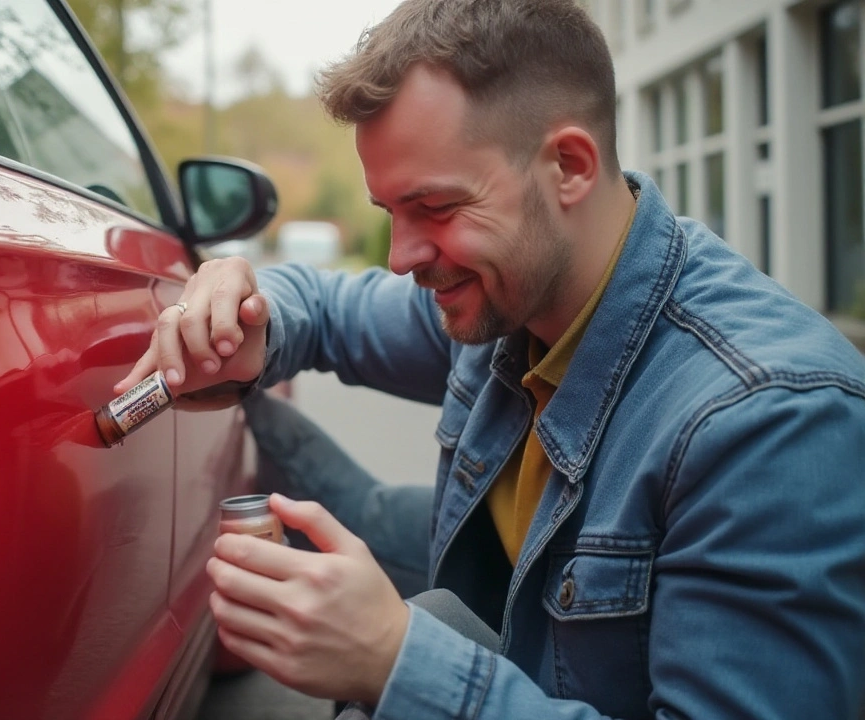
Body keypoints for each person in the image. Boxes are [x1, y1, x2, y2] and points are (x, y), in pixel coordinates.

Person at [114, 0, 865, 716]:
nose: (403, 257)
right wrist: (250, 307)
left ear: (569, 166)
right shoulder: (514, 291)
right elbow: (331, 308)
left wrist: (395, 661)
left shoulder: (771, 421)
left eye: (434, 209)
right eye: (389, 213)